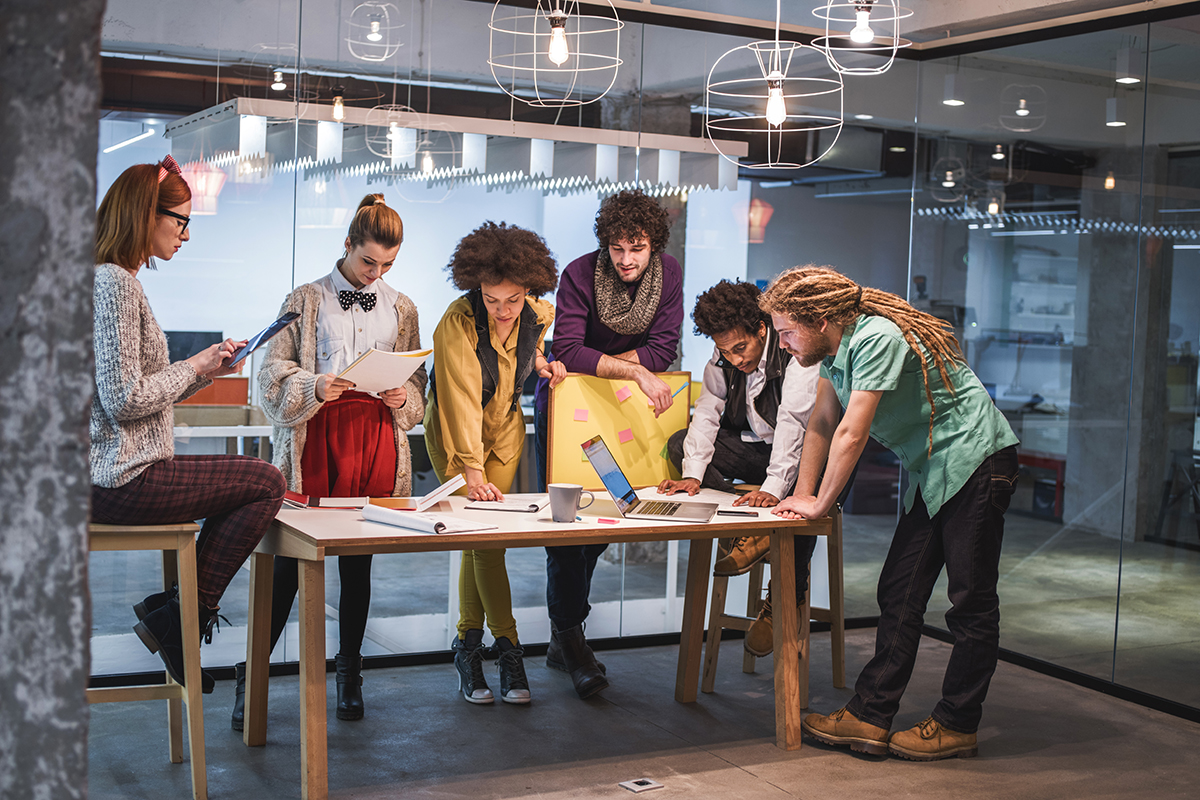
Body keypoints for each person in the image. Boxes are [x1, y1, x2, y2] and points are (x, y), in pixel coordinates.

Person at [759, 266, 1020, 761]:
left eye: (788, 332)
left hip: (977, 458)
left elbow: (852, 433)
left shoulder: (877, 336)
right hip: (934, 468)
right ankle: (870, 715)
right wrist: (806, 493)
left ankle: (957, 723)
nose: (784, 344)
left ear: (819, 318)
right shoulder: (834, 353)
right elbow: (822, 420)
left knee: (969, 599)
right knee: (899, 589)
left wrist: (821, 503)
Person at [90, 156, 287, 694]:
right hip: (121, 477)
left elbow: (141, 392)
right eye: (180, 220)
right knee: (267, 481)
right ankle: (181, 618)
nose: (186, 234)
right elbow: (124, 399)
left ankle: (176, 614)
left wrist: (205, 370)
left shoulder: (112, 280)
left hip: (120, 473)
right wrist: (196, 365)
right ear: (144, 214)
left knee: (258, 482)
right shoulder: (114, 284)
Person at [232, 193, 427, 729]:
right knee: (290, 571)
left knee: (358, 568)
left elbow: (416, 381)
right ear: (346, 244)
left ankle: (350, 677)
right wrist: (316, 383)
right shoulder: (304, 299)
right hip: (316, 440)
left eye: (387, 265)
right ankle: (252, 678)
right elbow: (268, 378)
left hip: (375, 444)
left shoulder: (403, 306)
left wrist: (402, 397)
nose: (375, 274)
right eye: (368, 261)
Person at [533, 189, 684, 698]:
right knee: (567, 523)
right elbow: (570, 350)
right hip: (569, 404)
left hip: (624, 411)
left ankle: (563, 633)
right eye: (617, 248)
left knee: (606, 523)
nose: (626, 260)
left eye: (636, 249)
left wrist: (629, 374)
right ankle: (573, 642)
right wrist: (635, 372)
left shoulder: (670, 274)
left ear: (653, 245)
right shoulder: (579, 273)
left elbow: (665, 347)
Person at [425, 221, 566, 705]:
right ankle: (509, 649)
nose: (503, 311)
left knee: (481, 543)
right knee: (486, 543)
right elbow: (460, 399)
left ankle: (467, 649)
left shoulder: (537, 313)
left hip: (505, 431)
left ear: (529, 289)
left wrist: (543, 362)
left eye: (513, 299)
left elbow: (525, 351)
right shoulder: (457, 322)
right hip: (455, 437)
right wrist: (472, 472)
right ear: (476, 287)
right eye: (491, 299)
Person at [657, 279, 820, 657]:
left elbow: (794, 423)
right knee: (681, 444)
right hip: (758, 450)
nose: (733, 359)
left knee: (799, 492)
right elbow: (707, 415)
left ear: (760, 329)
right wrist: (692, 477)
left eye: (740, 348)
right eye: (724, 351)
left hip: (804, 455)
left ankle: (782, 600)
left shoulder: (793, 356)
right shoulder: (720, 362)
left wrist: (775, 488)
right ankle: (745, 535)